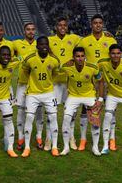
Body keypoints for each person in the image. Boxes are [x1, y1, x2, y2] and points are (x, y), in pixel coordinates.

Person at [78, 14, 117, 151]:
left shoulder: (110, 39)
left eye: (100, 22)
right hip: (89, 81)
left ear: (103, 24)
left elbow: (115, 57)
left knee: (110, 109)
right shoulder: (84, 41)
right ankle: (83, 139)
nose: (98, 25)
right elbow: (78, 57)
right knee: (85, 110)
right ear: (91, 24)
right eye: (95, 23)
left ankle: (112, 139)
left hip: (106, 80)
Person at [46, 17, 82, 151]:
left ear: (67, 27)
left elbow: (90, 39)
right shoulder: (50, 40)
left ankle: (71, 138)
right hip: (53, 83)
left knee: (70, 113)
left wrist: (107, 33)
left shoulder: (74, 38)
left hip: (69, 82)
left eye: (64, 25)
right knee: (51, 112)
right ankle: (49, 139)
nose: (62, 27)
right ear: (56, 27)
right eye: (60, 25)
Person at [21, 36, 60, 158]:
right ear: (37, 46)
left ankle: (54, 146)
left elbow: (54, 74)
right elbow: (26, 71)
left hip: (48, 93)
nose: (44, 46)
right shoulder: (29, 59)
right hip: (33, 93)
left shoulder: (54, 60)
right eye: (41, 44)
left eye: (46, 44)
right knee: (29, 117)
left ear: (48, 46)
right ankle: (27, 147)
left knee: (53, 117)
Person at [60, 47, 102, 156]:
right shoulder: (67, 67)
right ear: (73, 57)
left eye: (82, 56)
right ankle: (66, 147)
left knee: (95, 121)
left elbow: (101, 81)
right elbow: (57, 69)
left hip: (89, 95)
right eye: (77, 56)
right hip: (73, 96)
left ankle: (95, 147)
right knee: (66, 118)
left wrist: (100, 99)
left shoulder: (93, 67)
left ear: (85, 57)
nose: (80, 58)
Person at [13, 22, 44, 150]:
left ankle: (39, 136)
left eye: (32, 29)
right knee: (21, 111)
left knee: (38, 111)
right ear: (24, 31)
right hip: (22, 83)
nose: (30, 32)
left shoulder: (40, 45)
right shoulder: (16, 44)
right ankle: (20, 137)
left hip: (37, 85)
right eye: (28, 30)